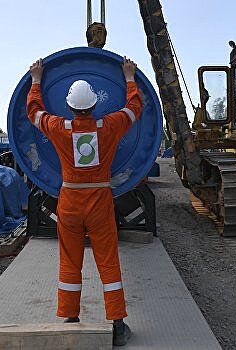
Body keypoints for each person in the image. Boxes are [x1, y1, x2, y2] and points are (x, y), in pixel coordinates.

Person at [27, 56, 142, 346]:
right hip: (100, 201)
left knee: (69, 260)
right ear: (94, 105)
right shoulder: (110, 126)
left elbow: (34, 112)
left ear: (69, 106)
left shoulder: (58, 127)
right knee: (108, 260)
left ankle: (69, 318)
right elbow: (134, 108)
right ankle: (117, 324)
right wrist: (129, 78)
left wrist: (37, 81)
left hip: (70, 202)